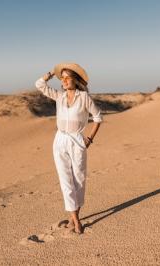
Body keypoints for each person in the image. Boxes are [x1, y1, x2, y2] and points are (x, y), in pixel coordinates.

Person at [35, 62, 103, 234]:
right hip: (60, 139)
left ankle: (74, 217)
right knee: (66, 181)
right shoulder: (59, 96)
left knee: (78, 180)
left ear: (76, 80)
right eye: (62, 78)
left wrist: (90, 139)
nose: (64, 81)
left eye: (67, 77)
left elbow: (97, 117)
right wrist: (52, 72)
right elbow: (39, 85)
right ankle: (76, 220)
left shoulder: (84, 98)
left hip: (77, 140)